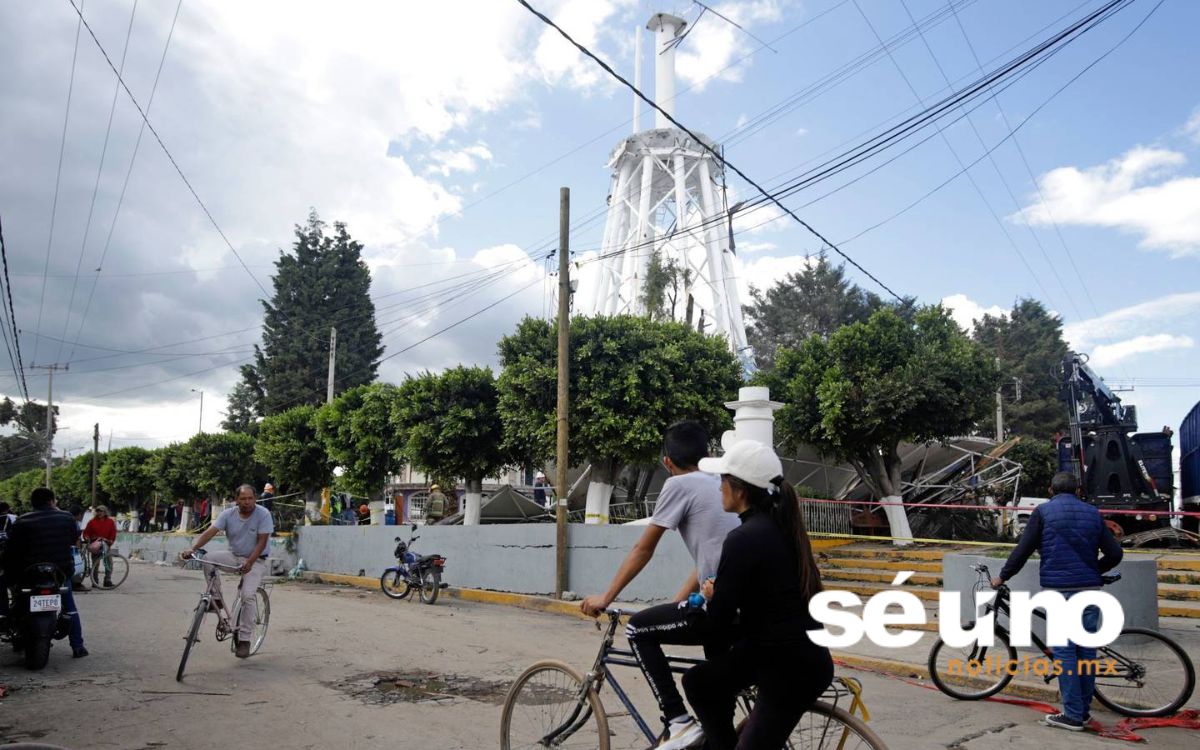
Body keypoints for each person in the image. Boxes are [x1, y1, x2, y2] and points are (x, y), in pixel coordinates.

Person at [580, 421, 739, 749]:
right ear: (707, 454)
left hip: (719, 607)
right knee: (718, 719)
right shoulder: (722, 483)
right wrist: (674, 604)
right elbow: (708, 562)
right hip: (740, 606)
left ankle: (677, 721)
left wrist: (606, 597)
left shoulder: (679, 485)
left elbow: (644, 548)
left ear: (667, 462)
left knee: (638, 630)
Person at [681, 439, 832, 750]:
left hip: (786, 671)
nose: (718, 487)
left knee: (700, 682)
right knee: (699, 680)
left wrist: (698, 608)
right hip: (798, 656)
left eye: (722, 480)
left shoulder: (742, 539)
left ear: (740, 490)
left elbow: (718, 627)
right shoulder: (783, 529)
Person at [992, 471, 1123, 732]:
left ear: (1050, 491)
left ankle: (1073, 716)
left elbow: (1023, 549)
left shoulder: (1043, 512)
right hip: (1090, 590)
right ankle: (1082, 712)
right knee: (1085, 652)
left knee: (1064, 654)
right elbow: (1115, 553)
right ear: (1077, 490)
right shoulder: (1092, 514)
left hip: (1059, 591)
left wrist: (1002, 576)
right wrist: (1095, 570)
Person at [181, 484, 273, 658]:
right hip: (234, 556)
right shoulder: (227, 514)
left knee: (247, 595)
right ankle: (215, 597)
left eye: (250, 498)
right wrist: (193, 549)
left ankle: (244, 639)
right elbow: (210, 532)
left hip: (256, 559)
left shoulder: (264, 514)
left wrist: (251, 562)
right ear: (236, 500)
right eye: (243, 498)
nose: (247, 502)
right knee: (208, 558)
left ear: (255, 498)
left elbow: (262, 542)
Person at [0, 487, 88, 657]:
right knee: (69, 607)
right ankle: (78, 646)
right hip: (59, 572)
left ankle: (3, 615)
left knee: (2, 583)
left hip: (29, 574)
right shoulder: (67, 517)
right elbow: (74, 540)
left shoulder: (22, 520)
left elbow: (13, 550)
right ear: (52, 501)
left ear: (32, 503)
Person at [82, 505, 118, 588]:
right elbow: (86, 532)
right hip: (95, 545)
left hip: (106, 544)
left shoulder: (110, 522)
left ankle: (107, 580)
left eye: (101, 511)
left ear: (105, 512)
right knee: (95, 564)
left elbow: (113, 533)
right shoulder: (92, 522)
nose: (99, 513)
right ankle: (95, 581)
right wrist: (87, 538)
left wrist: (110, 541)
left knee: (108, 563)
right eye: (98, 511)